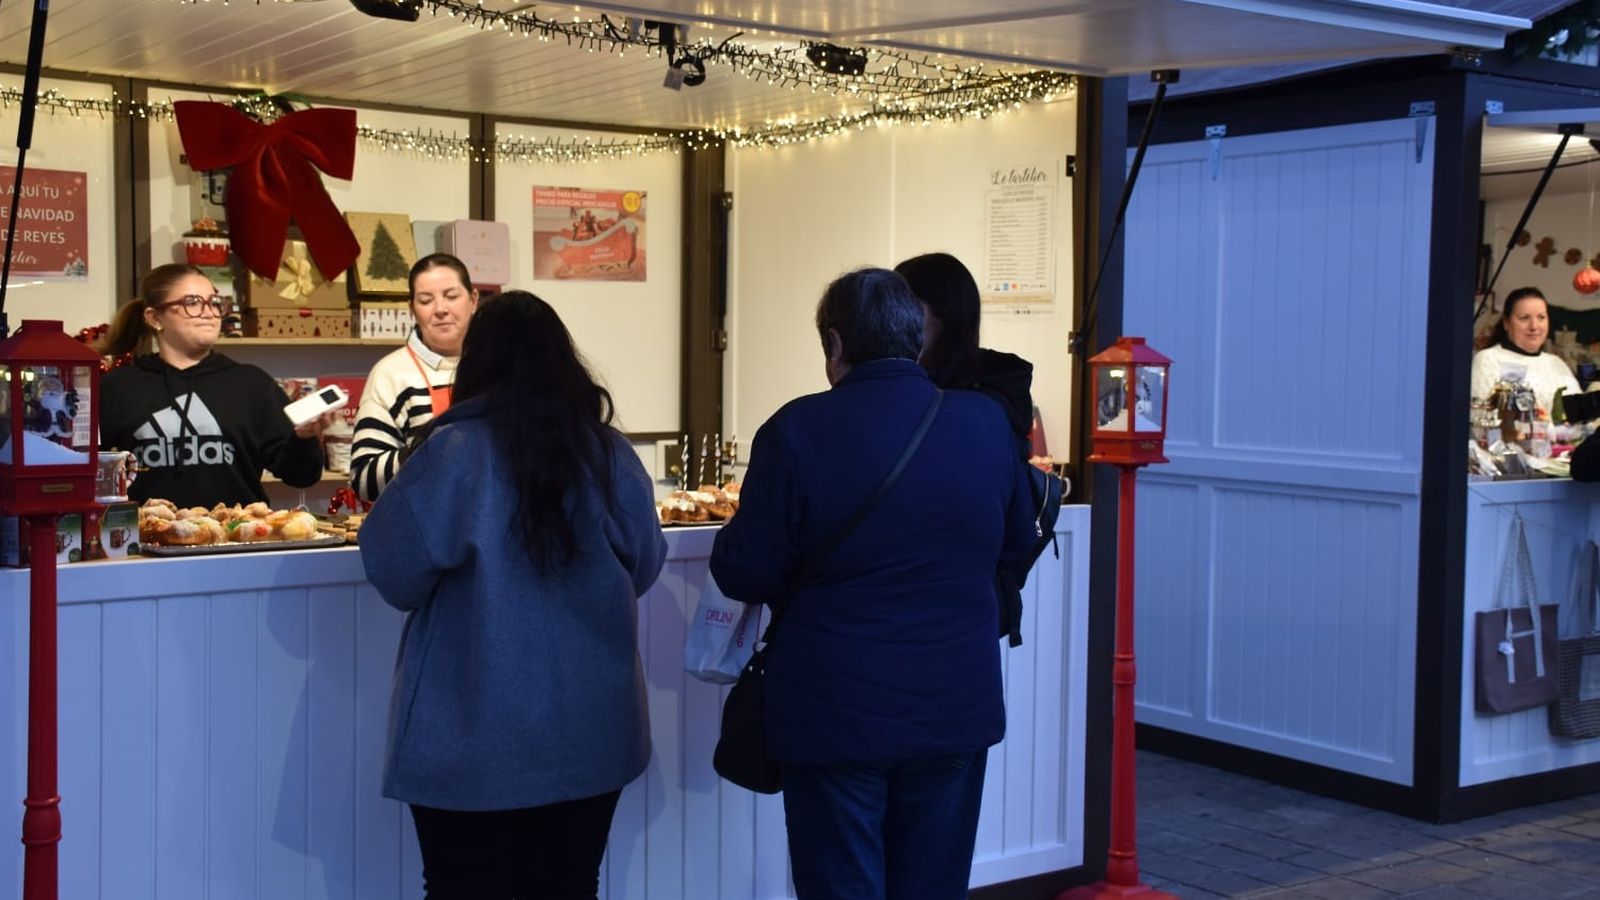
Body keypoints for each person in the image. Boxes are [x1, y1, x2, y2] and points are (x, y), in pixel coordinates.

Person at [708, 268, 1038, 900]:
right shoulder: (986, 425)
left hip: (835, 712)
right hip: (953, 703)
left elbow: (743, 568)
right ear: (915, 339)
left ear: (835, 344)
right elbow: (1017, 542)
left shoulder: (797, 429)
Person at [358, 290, 667, 900]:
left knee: (459, 888)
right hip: (591, 729)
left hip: (469, 731)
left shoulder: (450, 453)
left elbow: (394, 572)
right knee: (572, 885)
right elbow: (646, 564)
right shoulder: (608, 455)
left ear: (478, 362)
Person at [99, 263, 328, 508]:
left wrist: (304, 438)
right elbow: (94, 476)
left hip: (235, 537)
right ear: (154, 318)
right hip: (146, 539)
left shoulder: (251, 384)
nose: (209, 313)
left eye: (215, 302)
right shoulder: (116, 388)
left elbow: (301, 475)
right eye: (193, 303)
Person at [350, 253, 478, 501]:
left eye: (451, 296)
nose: (441, 309)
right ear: (412, 309)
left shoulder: (499, 365)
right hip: (427, 530)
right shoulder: (391, 373)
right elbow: (363, 481)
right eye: (426, 300)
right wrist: (425, 449)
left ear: (473, 300)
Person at [895, 251, 1035, 457]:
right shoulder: (904, 380)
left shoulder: (994, 395)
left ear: (947, 316)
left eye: (905, 309)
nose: (893, 321)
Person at [1471, 286, 1580, 414]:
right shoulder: (1488, 359)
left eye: (1541, 317)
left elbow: (1580, 417)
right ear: (1506, 322)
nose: (1534, 326)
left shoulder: (1557, 363)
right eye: (1524, 318)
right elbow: (1481, 416)